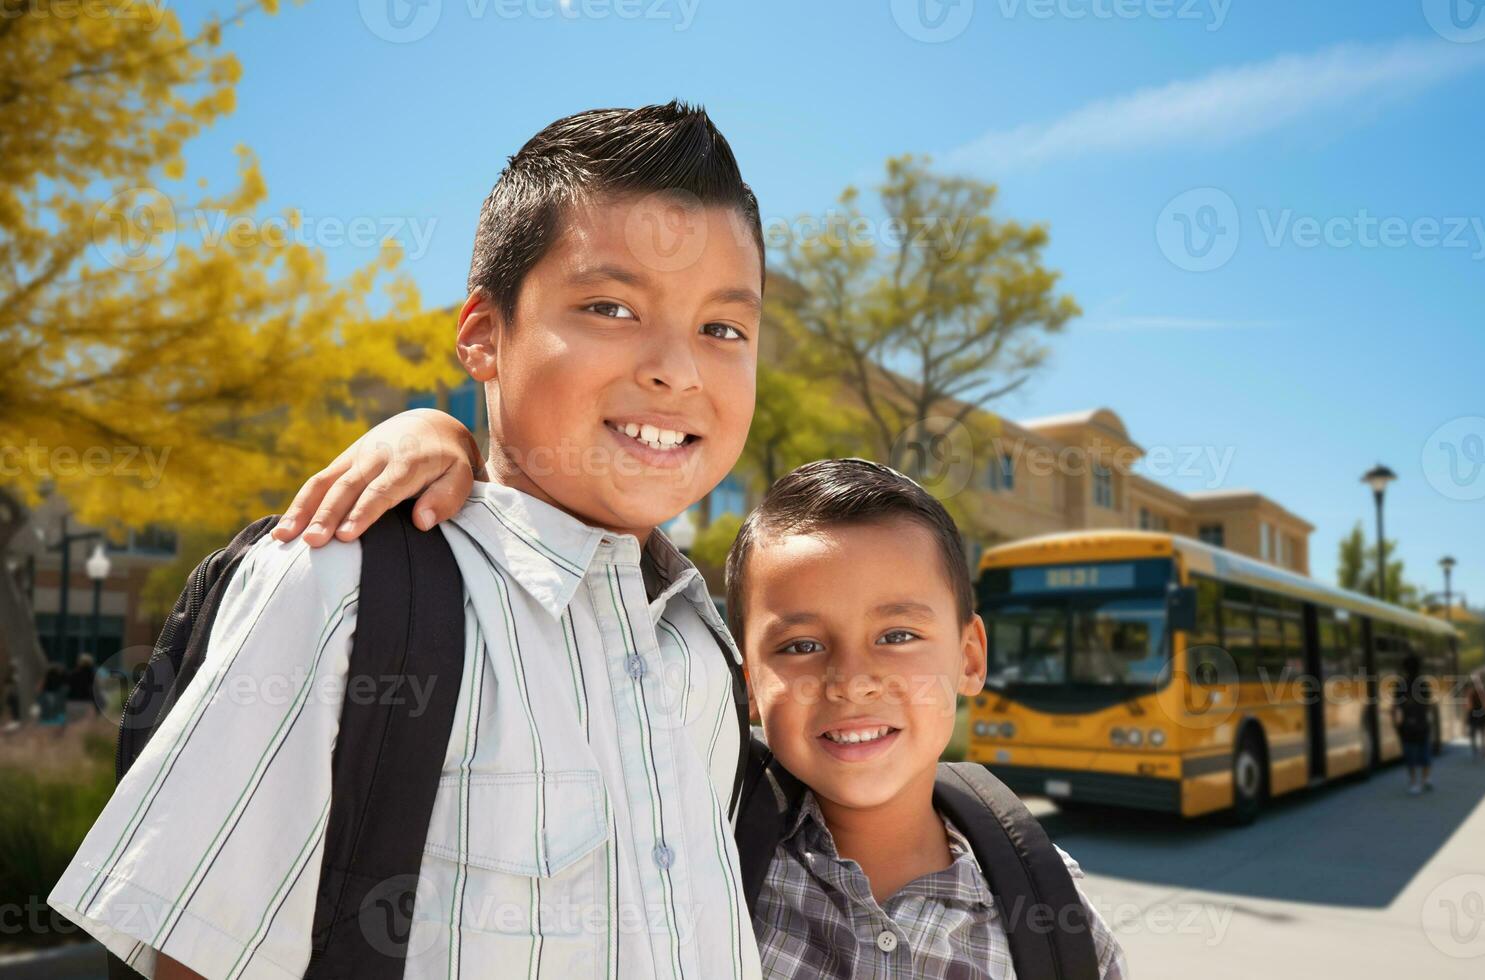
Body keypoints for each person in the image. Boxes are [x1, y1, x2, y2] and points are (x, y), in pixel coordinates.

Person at [50, 102, 767, 979]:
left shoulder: (699, 647)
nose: (678, 368)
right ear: (483, 336)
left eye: (723, 328)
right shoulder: (340, 582)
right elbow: (194, 963)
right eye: (611, 307)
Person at [723, 459, 1124, 978]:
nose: (852, 680)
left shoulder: (1060, 930)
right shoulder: (697, 876)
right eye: (801, 646)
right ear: (748, 680)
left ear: (970, 659)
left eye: (897, 636)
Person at [1391, 656, 1433, 794]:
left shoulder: (1400, 684)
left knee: (1410, 755)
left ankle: (1413, 783)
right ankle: (1425, 780)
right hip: (1422, 724)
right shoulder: (1423, 683)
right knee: (1424, 753)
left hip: (1407, 725)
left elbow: (1395, 705)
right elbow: (1428, 704)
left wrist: (1396, 724)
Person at [66, 652, 96, 723]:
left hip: (72, 701)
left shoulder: (73, 673)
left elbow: (67, 686)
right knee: (85, 725)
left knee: (72, 723)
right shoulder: (93, 675)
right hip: (86, 701)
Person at [1465, 675, 1485, 759]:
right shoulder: (1484, 691)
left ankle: (1475, 749)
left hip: (1473, 714)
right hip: (1482, 714)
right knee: (1483, 733)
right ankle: (1484, 750)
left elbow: (1469, 706)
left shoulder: (1471, 693)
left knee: (1473, 733)